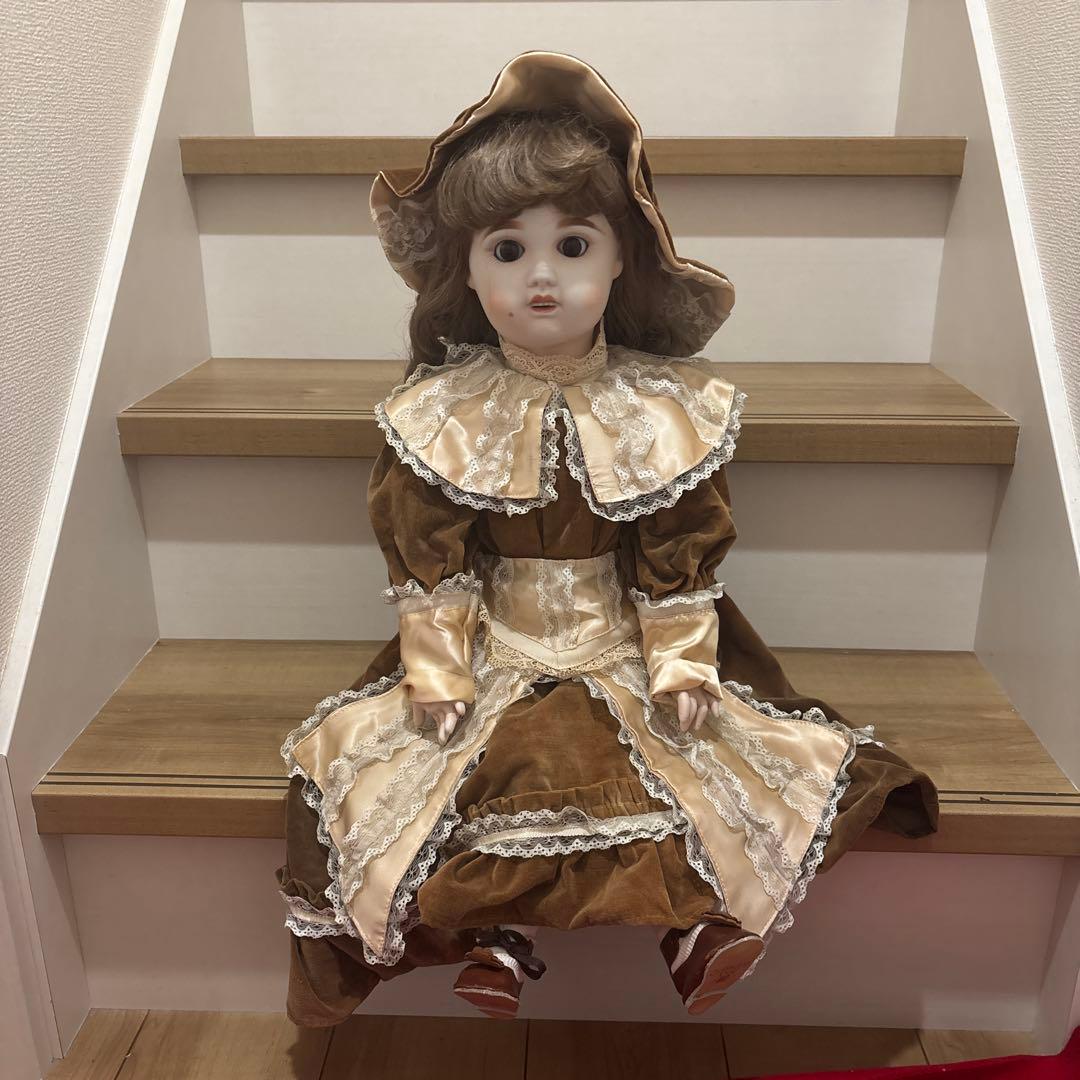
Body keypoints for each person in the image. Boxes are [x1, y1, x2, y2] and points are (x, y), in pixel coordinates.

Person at [276, 50, 939, 1026]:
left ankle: (696, 928)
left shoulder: (659, 409)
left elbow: (680, 544)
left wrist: (680, 659)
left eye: (574, 245)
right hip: (496, 638)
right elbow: (428, 553)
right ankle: (485, 933)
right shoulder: (440, 413)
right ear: (468, 266)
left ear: (623, 257)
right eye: (508, 250)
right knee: (451, 765)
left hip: (623, 632)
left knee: (679, 757)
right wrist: (438, 666)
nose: (541, 276)